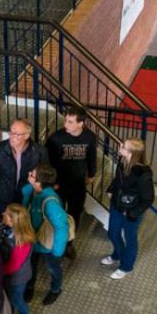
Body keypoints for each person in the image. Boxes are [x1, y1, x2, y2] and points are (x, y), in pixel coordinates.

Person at [45, 108, 97, 259]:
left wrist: (91, 174)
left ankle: (69, 244)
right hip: (59, 185)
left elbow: (91, 157)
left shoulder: (89, 137)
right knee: (57, 215)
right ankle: (55, 243)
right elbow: (48, 163)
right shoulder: (56, 138)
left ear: (81, 123)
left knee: (75, 215)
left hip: (78, 184)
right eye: (66, 120)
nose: (65, 124)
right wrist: (51, 183)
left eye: (70, 122)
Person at [104, 138, 155, 280]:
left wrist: (132, 213)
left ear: (131, 153)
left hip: (131, 212)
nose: (120, 146)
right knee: (113, 233)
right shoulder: (123, 163)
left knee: (130, 238)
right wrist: (111, 189)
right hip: (117, 206)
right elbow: (118, 180)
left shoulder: (143, 174)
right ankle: (118, 254)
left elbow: (148, 199)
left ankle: (126, 266)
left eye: (124, 146)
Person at [23, 165, 70, 305]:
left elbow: (62, 226)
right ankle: (30, 287)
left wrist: (57, 251)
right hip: (34, 239)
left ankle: (55, 289)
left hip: (49, 245)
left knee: (53, 268)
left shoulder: (50, 202)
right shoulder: (35, 191)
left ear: (39, 183)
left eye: (32, 175)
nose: (29, 174)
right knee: (31, 265)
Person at [0, 118, 43, 222]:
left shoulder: (39, 152)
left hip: (25, 201)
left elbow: (44, 176)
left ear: (26, 135)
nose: (12, 137)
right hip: (2, 201)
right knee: (1, 230)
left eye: (17, 134)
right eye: (11, 132)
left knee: (21, 230)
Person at [0, 204, 34, 314]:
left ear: (13, 221)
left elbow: (14, 265)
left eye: (6, 214)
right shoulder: (8, 229)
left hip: (17, 278)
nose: (3, 214)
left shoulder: (22, 241)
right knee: (9, 297)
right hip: (6, 274)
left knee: (16, 300)